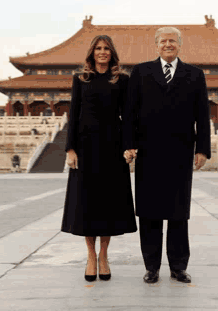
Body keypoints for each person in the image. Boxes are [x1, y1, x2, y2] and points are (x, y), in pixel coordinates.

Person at [123, 26, 211, 284]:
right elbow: (130, 112)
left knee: (178, 212)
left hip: (181, 151)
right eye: (163, 41)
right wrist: (129, 143)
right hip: (149, 151)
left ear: (180, 45)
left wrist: (202, 148)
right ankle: (151, 266)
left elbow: (202, 115)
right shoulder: (141, 72)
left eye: (172, 40)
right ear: (156, 45)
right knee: (149, 212)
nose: (168, 44)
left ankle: (178, 266)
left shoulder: (194, 74)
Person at [61, 34, 137, 282]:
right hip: (85, 148)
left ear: (112, 52)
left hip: (112, 148)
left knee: (109, 204)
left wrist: (129, 147)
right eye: (98, 48)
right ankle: (90, 256)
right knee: (87, 204)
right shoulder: (80, 79)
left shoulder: (121, 80)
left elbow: (127, 117)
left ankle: (104, 254)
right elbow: (74, 114)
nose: (102, 52)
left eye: (106, 48)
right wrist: (70, 149)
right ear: (92, 53)